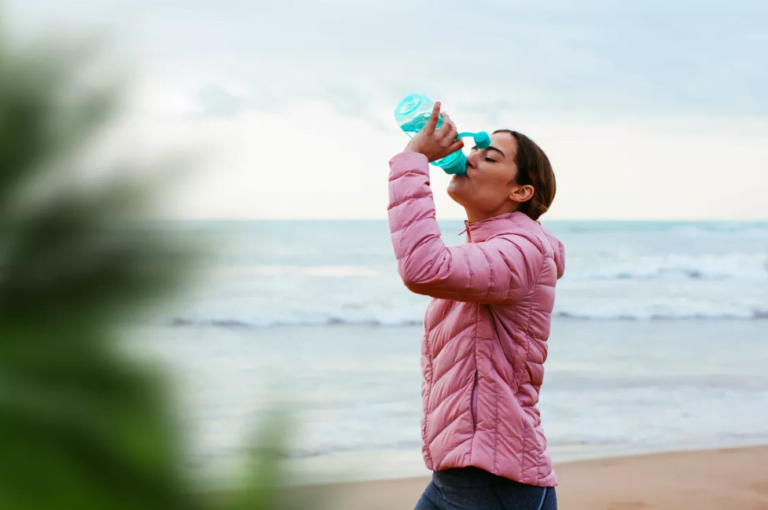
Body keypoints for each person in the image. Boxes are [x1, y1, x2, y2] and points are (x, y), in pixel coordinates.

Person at [387, 102, 565, 510]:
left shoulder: (522, 249)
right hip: (462, 476)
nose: (470, 158)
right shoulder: (487, 247)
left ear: (519, 192)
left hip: (495, 484)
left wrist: (412, 161)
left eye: (490, 157)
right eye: (473, 151)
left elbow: (422, 268)